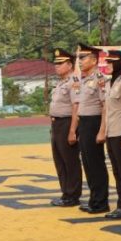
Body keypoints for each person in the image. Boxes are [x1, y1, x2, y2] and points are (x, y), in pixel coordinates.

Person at [73, 44, 109, 214]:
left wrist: (102, 130)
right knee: (87, 163)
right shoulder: (83, 80)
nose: (79, 61)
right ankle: (94, 199)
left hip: (94, 122)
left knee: (96, 163)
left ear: (94, 60)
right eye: (79, 58)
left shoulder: (100, 79)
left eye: (83, 58)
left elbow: (105, 106)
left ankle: (101, 202)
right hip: (84, 123)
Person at [101, 50, 121, 219]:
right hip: (110, 132)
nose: (107, 65)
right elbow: (107, 110)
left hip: (120, 132)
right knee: (116, 171)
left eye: (110, 62)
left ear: (119, 63)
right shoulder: (109, 83)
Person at [48, 48, 82, 206]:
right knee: (60, 160)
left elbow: (76, 106)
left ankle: (73, 195)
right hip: (56, 124)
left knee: (70, 161)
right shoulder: (60, 83)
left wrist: (73, 130)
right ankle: (65, 193)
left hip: (67, 122)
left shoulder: (73, 82)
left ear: (70, 65)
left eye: (61, 64)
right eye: (56, 64)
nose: (57, 67)